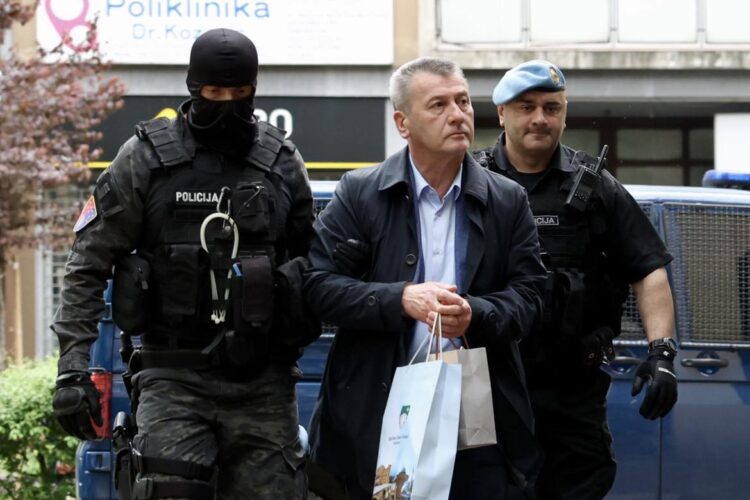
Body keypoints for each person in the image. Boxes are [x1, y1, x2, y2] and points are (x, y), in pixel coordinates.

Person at [50, 28, 316, 499]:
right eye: (214, 93)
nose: (227, 104)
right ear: (193, 88)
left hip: (263, 381)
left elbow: (314, 266)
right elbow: (88, 262)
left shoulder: (281, 161)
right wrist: (73, 368)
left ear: (254, 89)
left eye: (239, 93)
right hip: (172, 378)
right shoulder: (145, 159)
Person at [304, 56, 547, 500]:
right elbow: (317, 286)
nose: (457, 115)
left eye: (463, 101)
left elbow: (531, 296)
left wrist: (475, 313)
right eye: (438, 105)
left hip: (475, 410)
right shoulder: (360, 192)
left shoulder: (507, 199)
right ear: (403, 123)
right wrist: (400, 299)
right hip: (380, 407)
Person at [474, 60, 679, 499]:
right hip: (488, 384)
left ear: (565, 115)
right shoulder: (471, 182)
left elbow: (648, 268)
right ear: (502, 114)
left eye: (552, 108)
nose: (540, 118)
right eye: (526, 107)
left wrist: (661, 353)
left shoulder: (596, 187)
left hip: (570, 388)